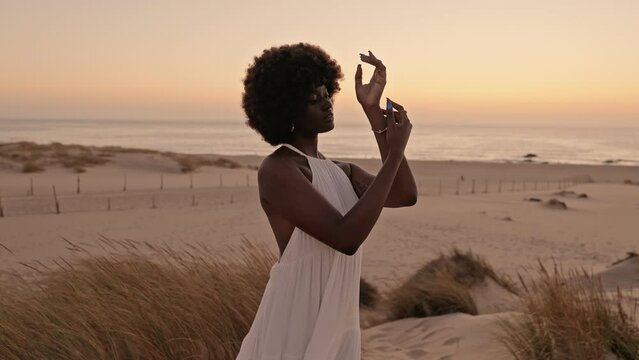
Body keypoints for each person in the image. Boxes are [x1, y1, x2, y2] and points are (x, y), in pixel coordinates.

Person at [235, 42, 417, 360]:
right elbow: (345, 237)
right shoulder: (279, 168)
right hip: (293, 323)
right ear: (287, 110)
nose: (326, 104)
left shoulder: (341, 171)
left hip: (337, 322)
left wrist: (374, 114)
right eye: (313, 99)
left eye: (325, 94)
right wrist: (395, 151)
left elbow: (404, 195)